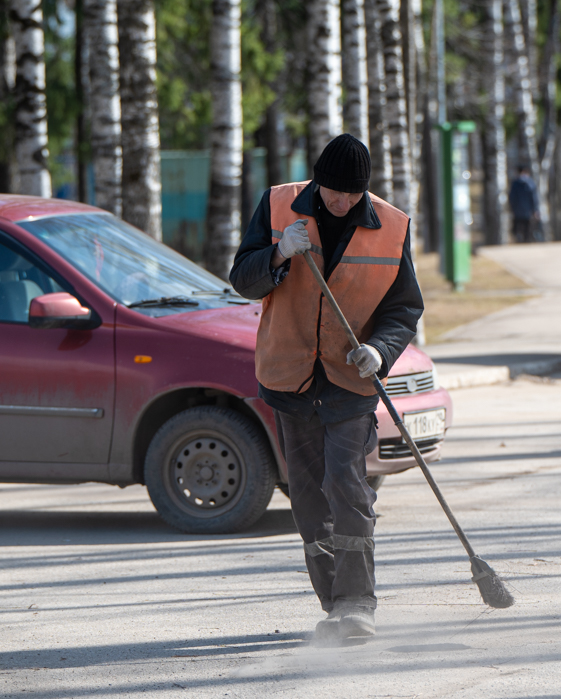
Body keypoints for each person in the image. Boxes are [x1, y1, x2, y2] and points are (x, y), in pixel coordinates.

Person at [229, 134, 423, 642]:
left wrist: (380, 350)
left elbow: (404, 308)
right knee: (309, 499)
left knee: (347, 485)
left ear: (365, 189)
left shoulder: (391, 225)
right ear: (317, 180)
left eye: (351, 195)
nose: (341, 202)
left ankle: (358, 603)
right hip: (290, 376)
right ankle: (334, 603)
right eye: (333, 192)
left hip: (349, 380)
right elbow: (242, 280)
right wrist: (276, 254)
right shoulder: (277, 205)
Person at [508, 165, 539, 243]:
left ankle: (519, 241)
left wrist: (512, 208)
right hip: (528, 211)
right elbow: (534, 198)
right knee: (527, 229)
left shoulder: (515, 183)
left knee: (517, 228)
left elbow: (512, 198)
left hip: (517, 211)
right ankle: (526, 242)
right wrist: (535, 210)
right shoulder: (530, 183)